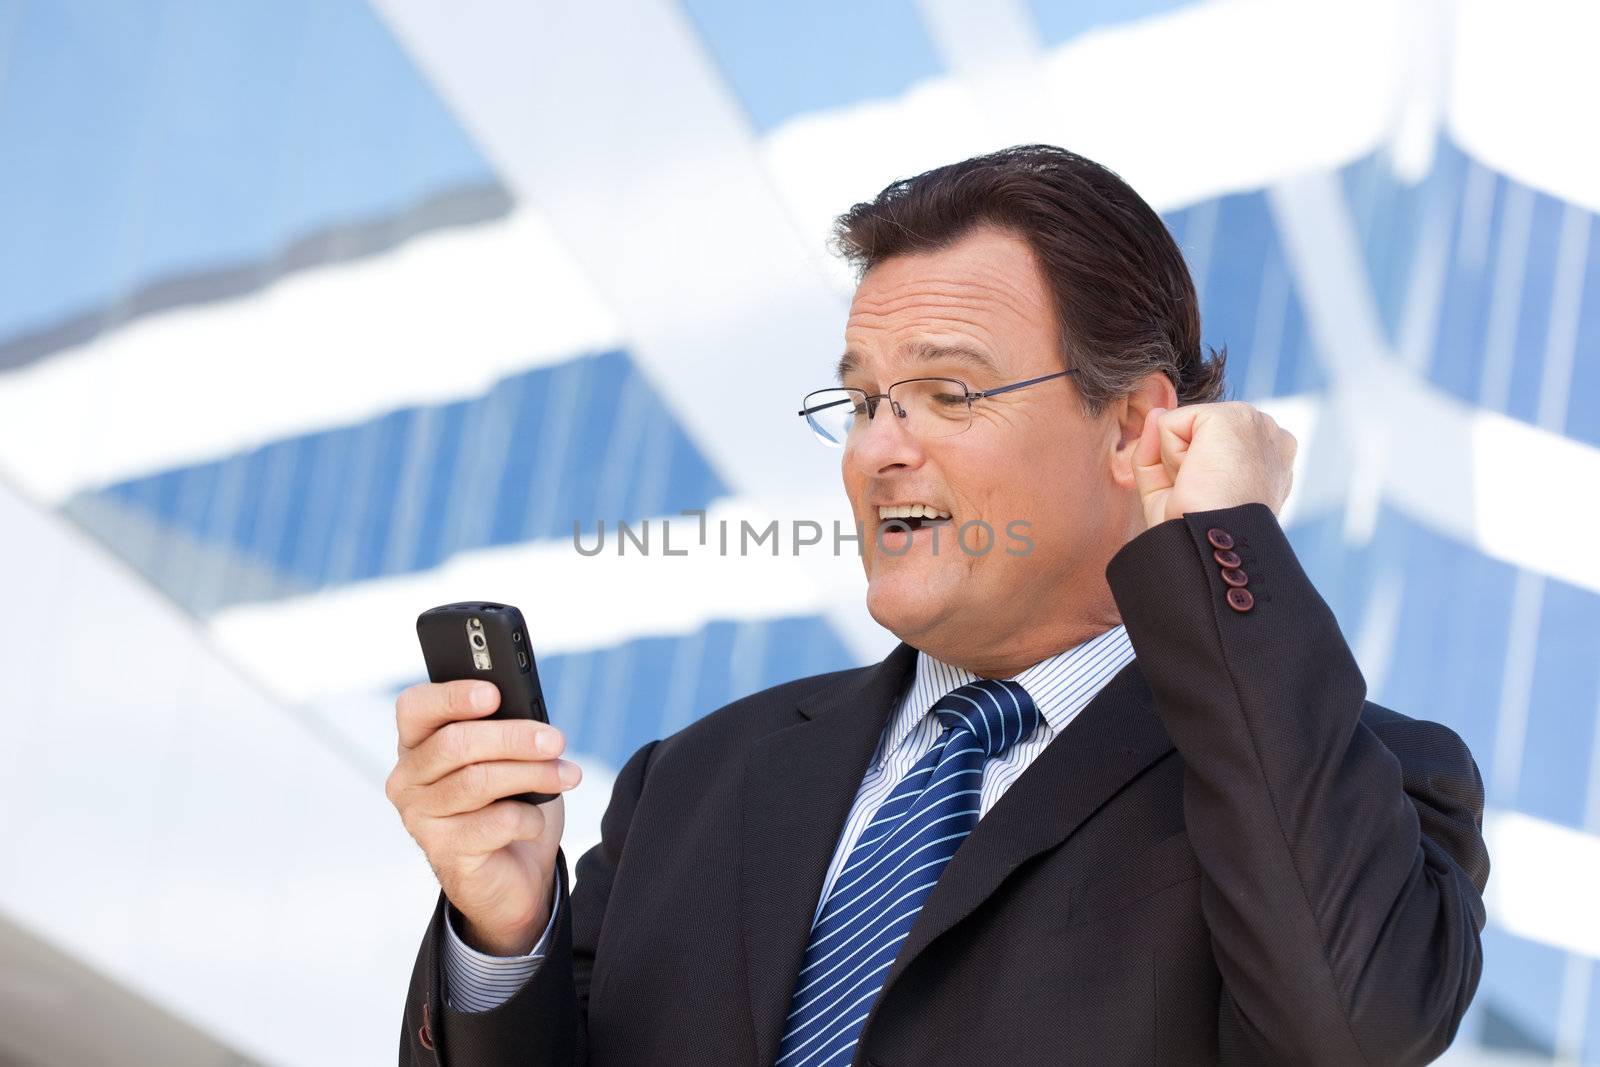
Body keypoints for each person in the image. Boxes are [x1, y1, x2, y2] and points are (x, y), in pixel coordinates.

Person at [387, 144, 1488, 1066]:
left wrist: (1221, 542)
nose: (876, 449)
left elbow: (1346, 1027)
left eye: (947, 393)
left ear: (1132, 428)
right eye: (863, 399)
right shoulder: (692, 784)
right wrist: (505, 931)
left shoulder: (1356, 789)